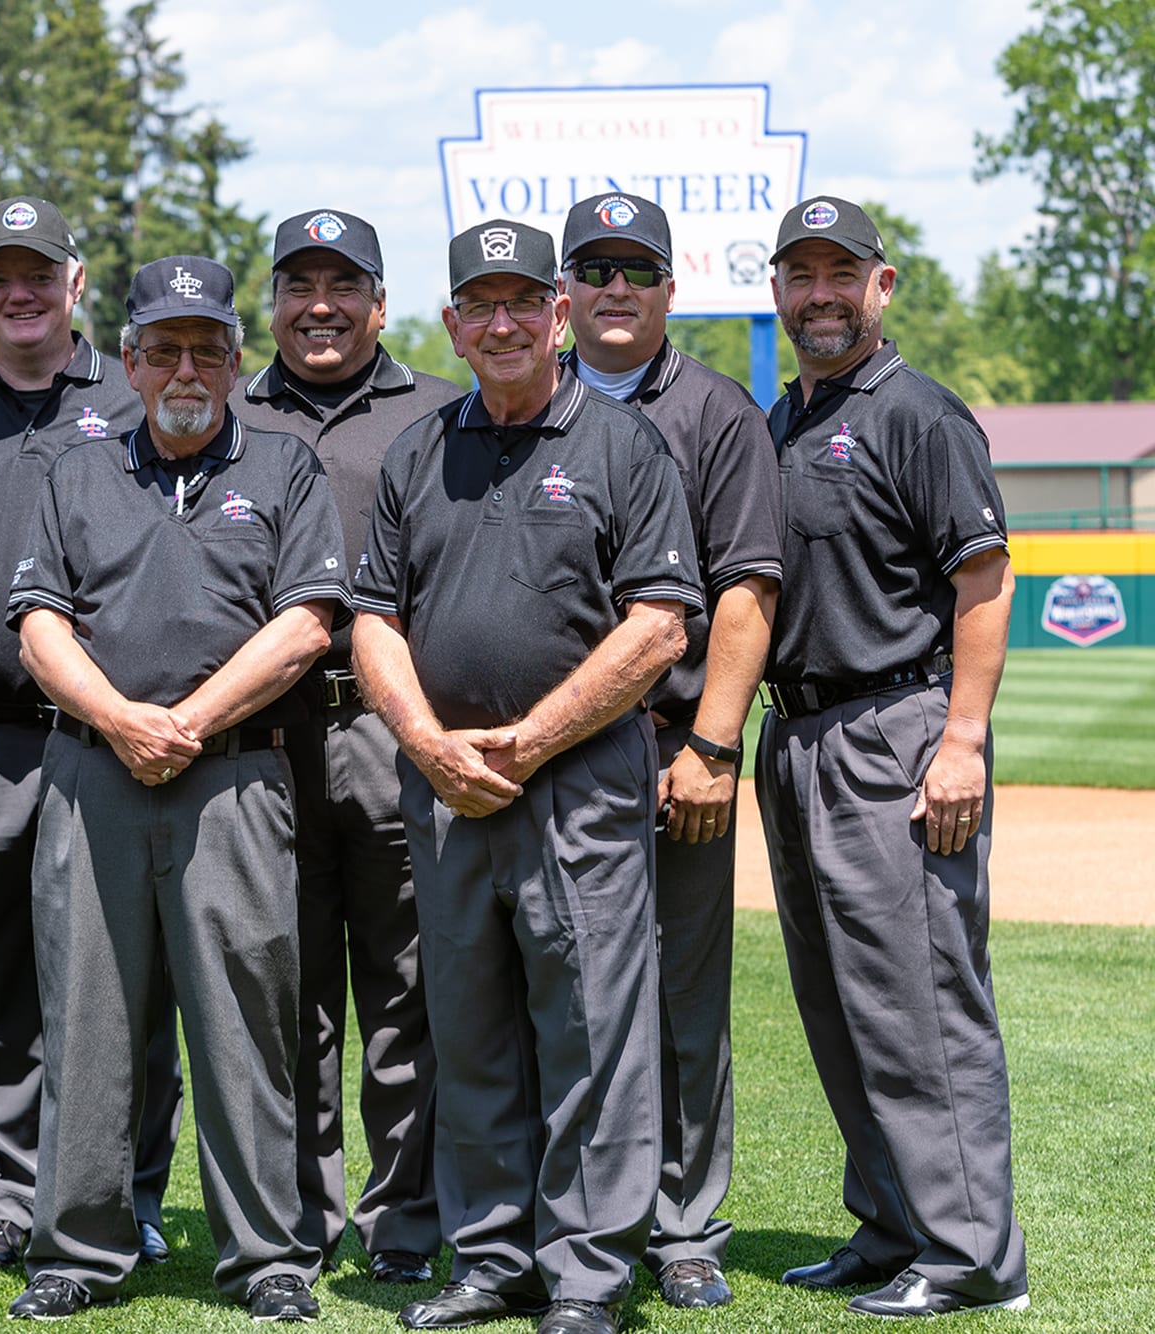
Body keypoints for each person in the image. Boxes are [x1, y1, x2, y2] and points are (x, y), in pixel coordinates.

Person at [351, 220, 701, 1334]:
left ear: (556, 314)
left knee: (590, 1029)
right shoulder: (418, 452)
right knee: (470, 1028)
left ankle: (588, 1273)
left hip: (579, 785)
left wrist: (532, 740)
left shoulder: (622, 446)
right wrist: (428, 743)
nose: (498, 323)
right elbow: (371, 618)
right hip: (446, 788)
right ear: (451, 323)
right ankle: (493, 1257)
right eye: (477, 304)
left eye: (519, 302)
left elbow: (658, 625)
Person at [5, 256, 343, 1323]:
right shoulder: (76, 469)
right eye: (163, 350)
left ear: (236, 360)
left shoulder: (284, 467)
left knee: (246, 1021)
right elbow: (38, 625)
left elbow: (306, 624)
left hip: (232, 774)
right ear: (131, 362)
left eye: (205, 348)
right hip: (91, 771)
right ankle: (77, 1247)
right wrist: (120, 718)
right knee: (87, 1019)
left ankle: (266, 1254)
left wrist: (186, 721)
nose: (184, 369)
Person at [0, 196, 184, 1272]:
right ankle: (6, 1191)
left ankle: (126, 1190)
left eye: (40, 273)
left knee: (126, 975)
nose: (20, 293)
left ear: (76, 283)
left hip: (111, 739)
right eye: (0, 274)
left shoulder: (131, 389)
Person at [759, 196, 1028, 1319]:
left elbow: (984, 578)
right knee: (839, 999)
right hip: (795, 733)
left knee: (919, 996)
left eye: (841, 272)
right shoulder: (779, 420)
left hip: (895, 726)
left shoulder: (917, 412)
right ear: (777, 289)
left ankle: (970, 1255)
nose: (819, 294)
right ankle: (889, 1226)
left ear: (882, 284)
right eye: (801, 274)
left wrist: (960, 738)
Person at [556, 192, 782, 1311]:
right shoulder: (520, 399)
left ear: (669, 289)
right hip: (547, 761)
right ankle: (559, 1215)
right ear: (562, 291)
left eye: (635, 269)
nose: (615, 287)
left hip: (666, 750)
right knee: (552, 992)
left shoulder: (714, 411)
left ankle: (683, 1225)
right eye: (594, 268)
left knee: (679, 994)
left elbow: (745, 590)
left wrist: (711, 744)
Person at [228, 208, 462, 1284]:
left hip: (387, 727)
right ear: (272, 300)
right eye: (298, 286)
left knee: (406, 986)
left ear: (379, 302)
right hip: (260, 736)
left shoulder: (439, 412)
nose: (318, 307)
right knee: (286, 990)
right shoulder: (228, 410)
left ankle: (405, 1218)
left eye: (342, 286)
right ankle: (299, 1222)